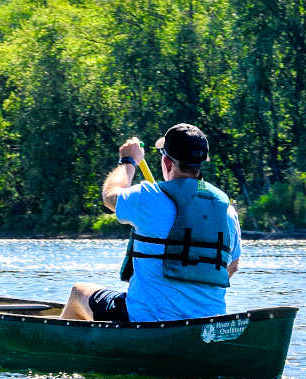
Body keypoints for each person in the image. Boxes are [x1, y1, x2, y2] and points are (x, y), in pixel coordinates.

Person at [60, 123, 241, 322]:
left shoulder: (148, 197)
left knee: (78, 292)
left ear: (167, 162)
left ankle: (60, 350)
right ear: (200, 164)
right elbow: (231, 266)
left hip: (143, 319)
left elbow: (110, 196)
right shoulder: (227, 210)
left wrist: (128, 161)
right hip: (205, 321)